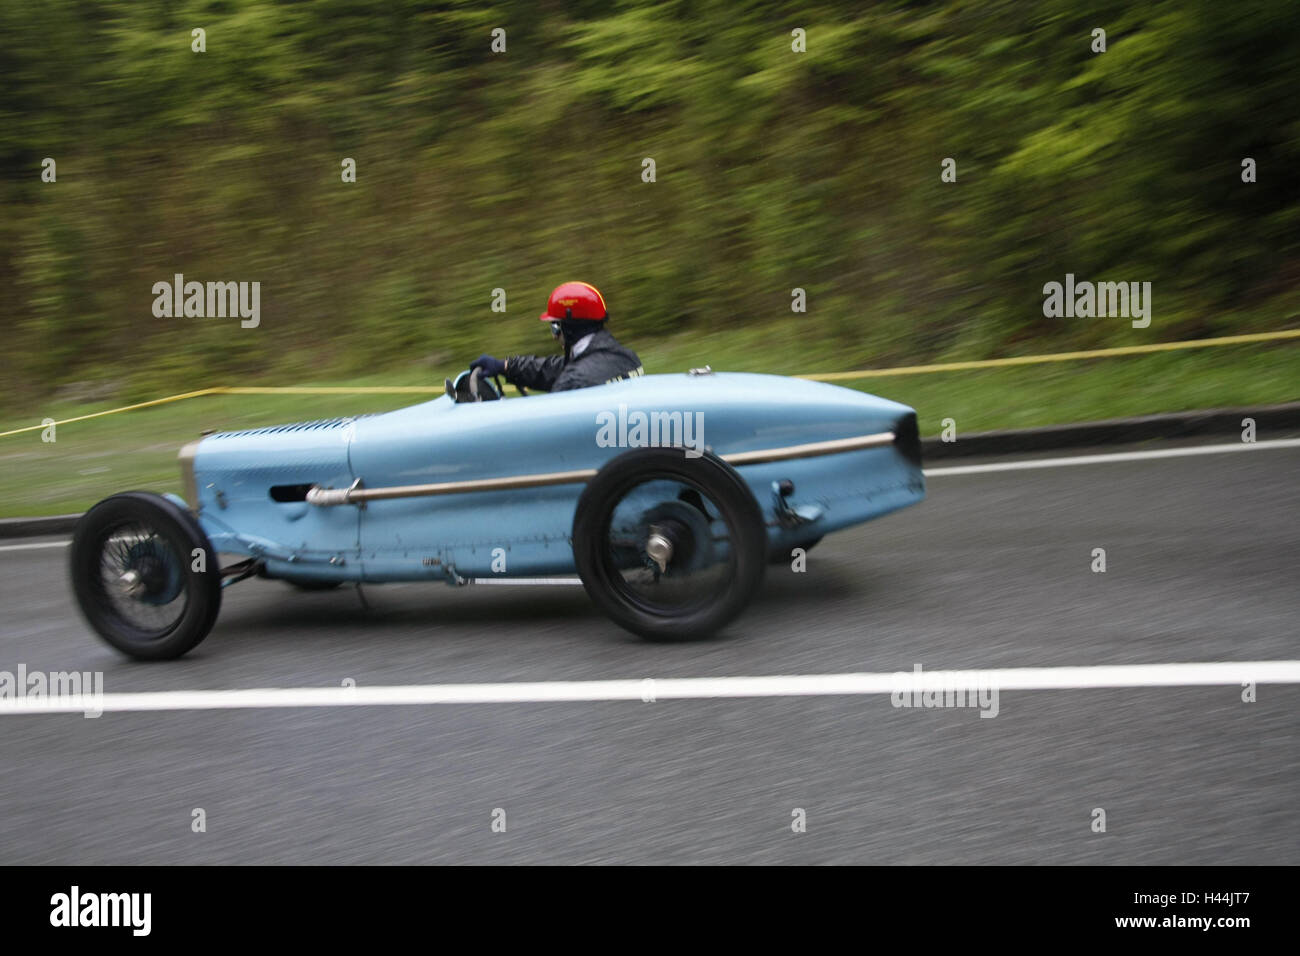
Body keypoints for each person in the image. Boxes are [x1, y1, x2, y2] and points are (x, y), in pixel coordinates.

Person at [470, 282, 643, 392]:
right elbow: (554, 369)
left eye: (555, 327)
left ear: (569, 327)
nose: (554, 336)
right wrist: (505, 366)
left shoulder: (574, 382)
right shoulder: (626, 357)